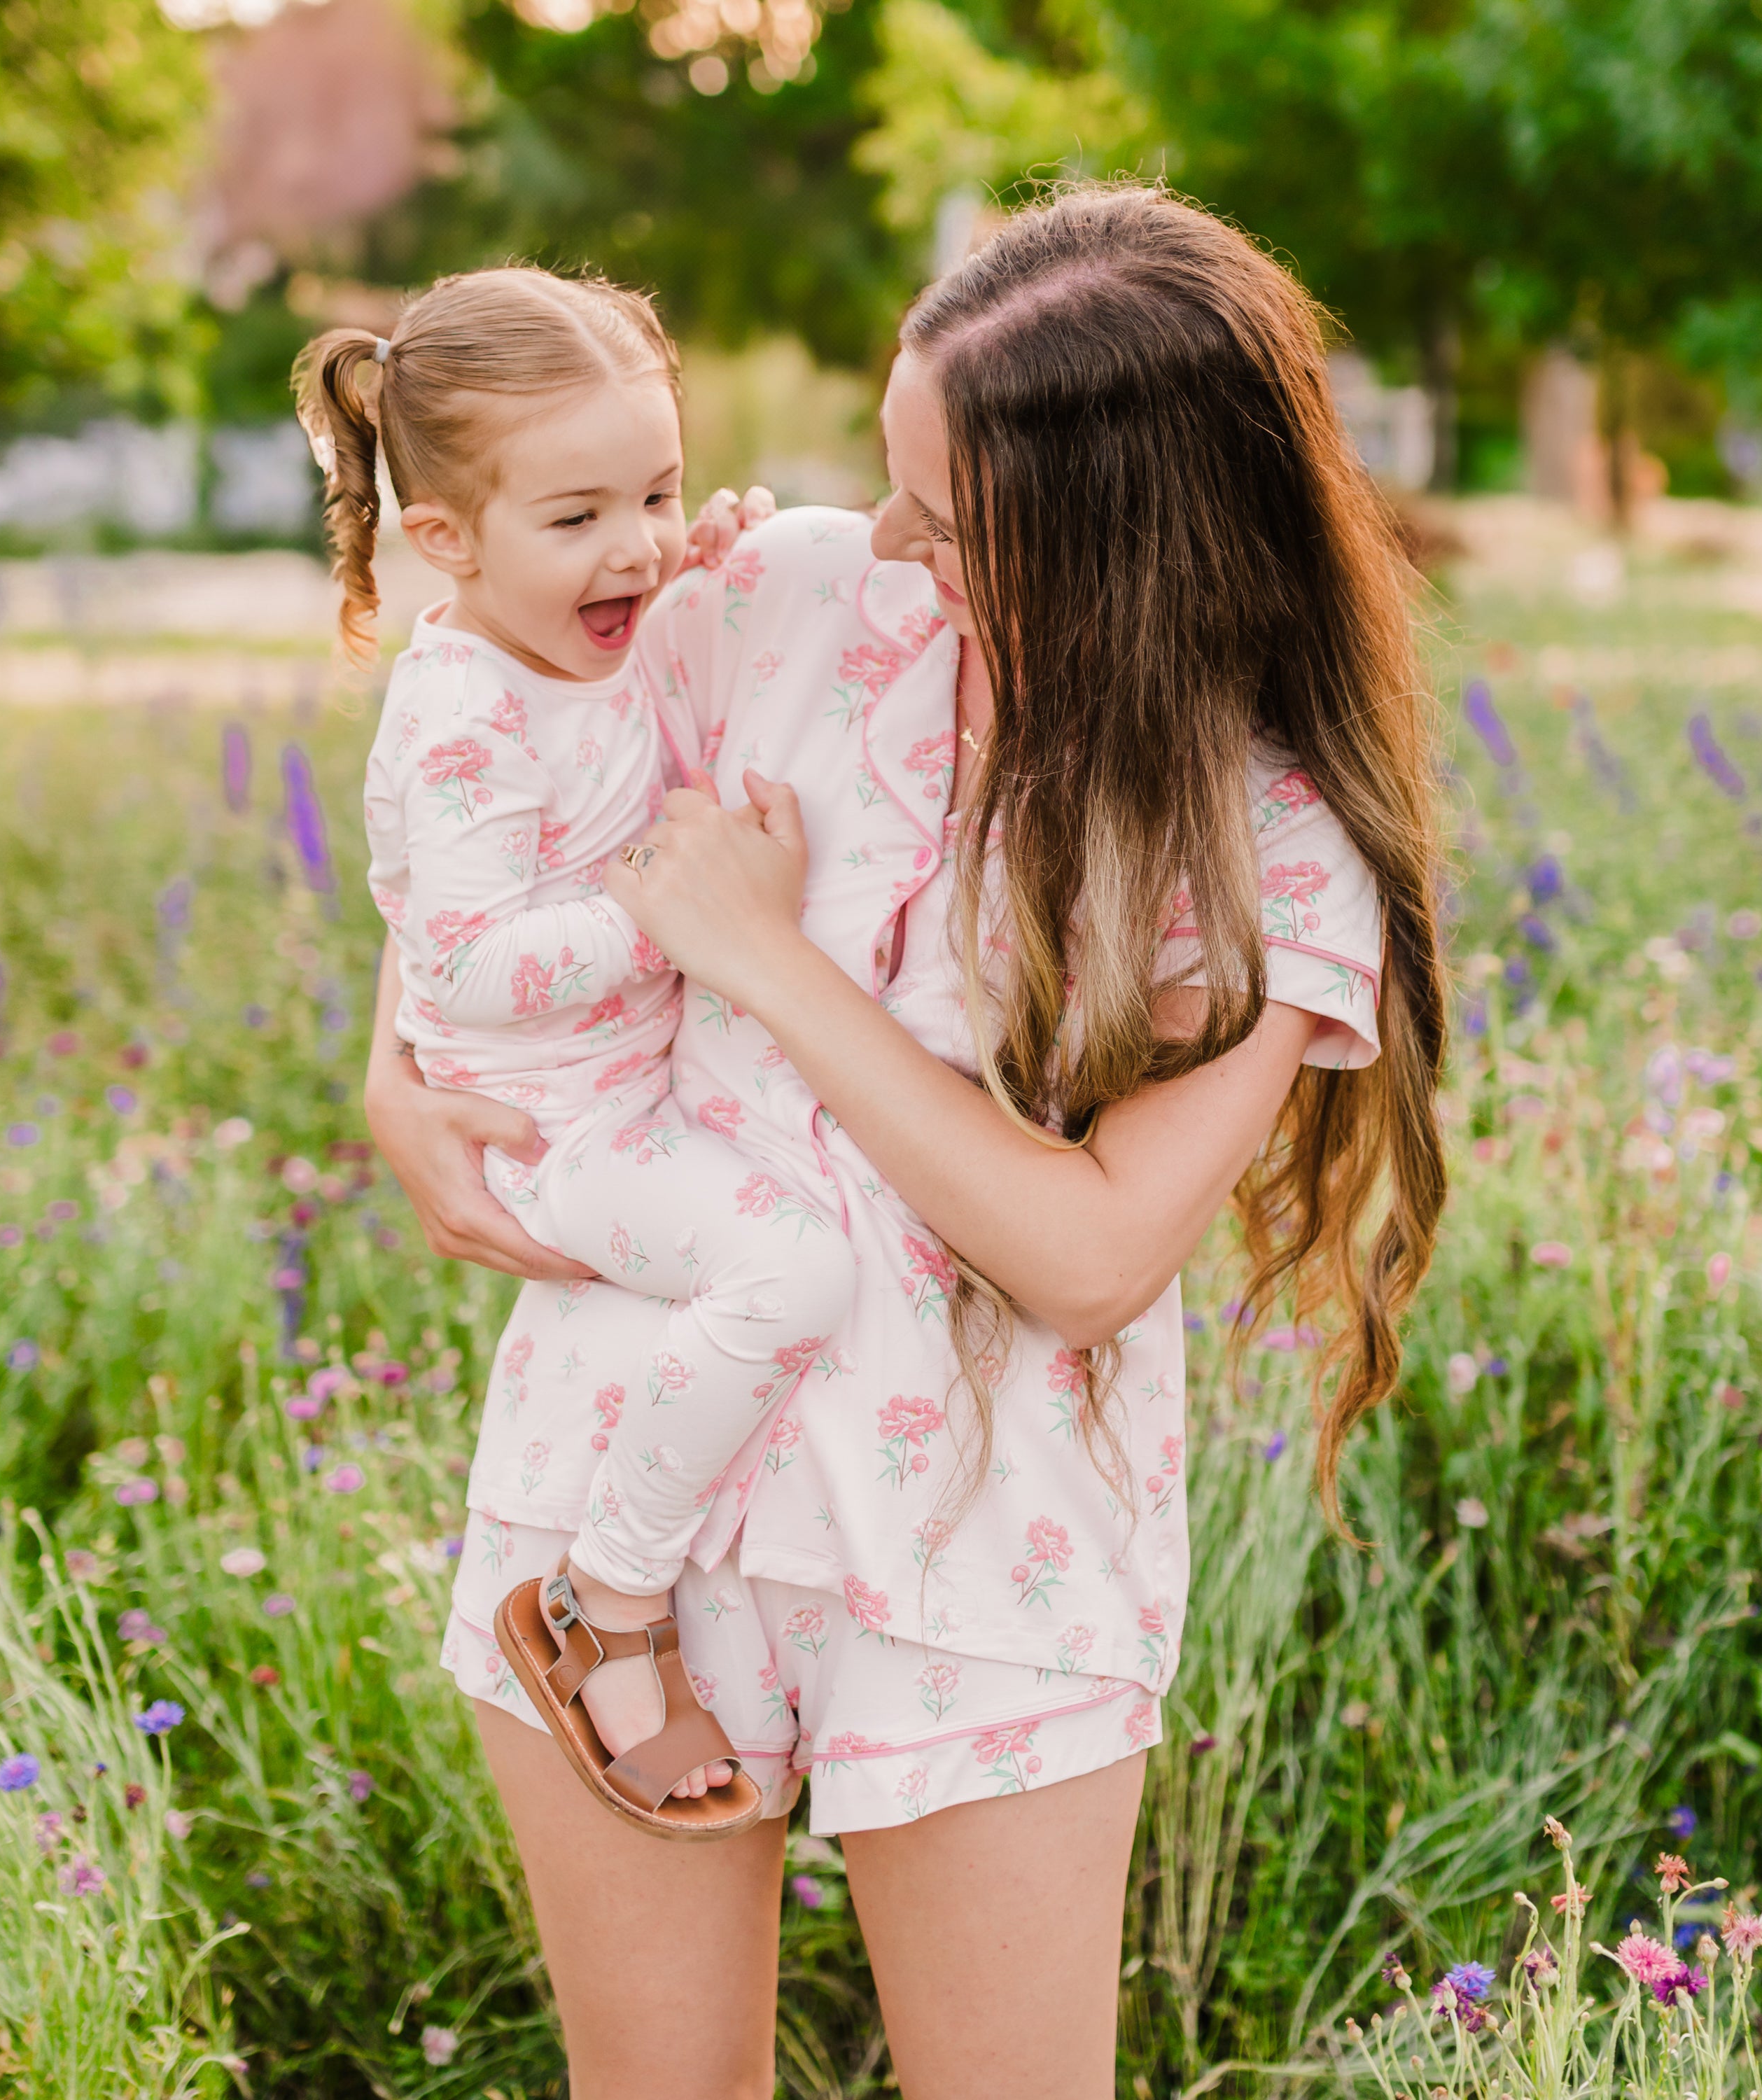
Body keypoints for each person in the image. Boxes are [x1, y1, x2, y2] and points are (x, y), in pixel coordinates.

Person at [367, 185, 1446, 2099]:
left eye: (945, 520)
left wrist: (771, 967)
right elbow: (493, 778)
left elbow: (1092, 1257)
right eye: (891, 477)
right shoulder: (779, 597)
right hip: (618, 1512)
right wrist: (394, 1061)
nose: (880, 539)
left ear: (1125, 547)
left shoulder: (1267, 852)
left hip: (984, 1557)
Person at [297, 266, 855, 1829]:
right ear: (447, 542)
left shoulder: (581, 634)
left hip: (625, 1093)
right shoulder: (465, 715)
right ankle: (605, 1597)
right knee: (794, 1272)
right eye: (580, 516)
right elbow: (468, 967)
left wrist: (710, 564)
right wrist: (679, 908)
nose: (637, 545)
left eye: (658, 490)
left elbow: (661, 646)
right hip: (557, 1135)